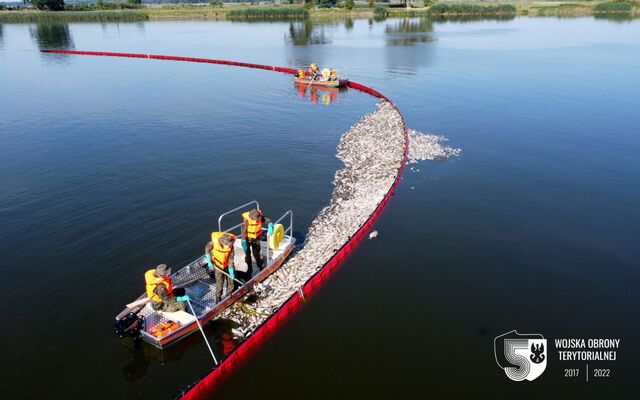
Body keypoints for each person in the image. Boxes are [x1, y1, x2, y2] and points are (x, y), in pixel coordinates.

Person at [205, 232, 236, 302]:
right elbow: (207, 249)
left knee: (231, 281)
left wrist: (231, 272)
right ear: (223, 243)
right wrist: (209, 262)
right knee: (219, 282)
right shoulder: (213, 243)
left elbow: (230, 260)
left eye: (230, 244)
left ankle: (229, 292)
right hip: (218, 266)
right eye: (228, 245)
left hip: (228, 265)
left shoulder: (231, 247)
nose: (229, 246)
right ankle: (218, 297)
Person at [241, 209, 272, 276]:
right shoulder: (247, 221)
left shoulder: (259, 217)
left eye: (258, 218)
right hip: (247, 238)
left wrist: (270, 224)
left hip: (256, 238)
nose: (257, 219)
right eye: (256, 219)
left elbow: (266, 219)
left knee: (256, 253)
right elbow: (243, 231)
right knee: (247, 254)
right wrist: (244, 241)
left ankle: (260, 265)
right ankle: (249, 269)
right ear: (251, 218)